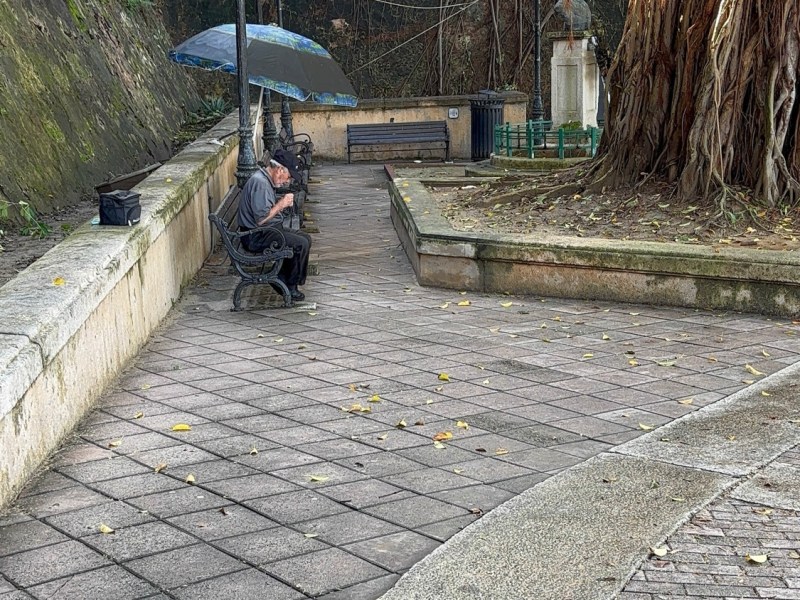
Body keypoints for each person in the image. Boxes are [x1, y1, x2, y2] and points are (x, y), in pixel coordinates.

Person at [238, 149, 311, 301]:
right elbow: (261, 219)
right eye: (288, 177)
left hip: (263, 231)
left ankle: (285, 279)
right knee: (300, 243)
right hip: (255, 236)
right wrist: (281, 205)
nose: (287, 181)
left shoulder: (264, 180)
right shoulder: (261, 183)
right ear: (279, 170)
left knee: (305, 239)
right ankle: (287, 285)